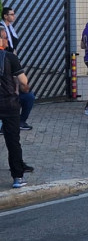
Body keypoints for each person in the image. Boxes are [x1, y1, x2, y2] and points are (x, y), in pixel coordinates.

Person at [0, 27, 34, 189]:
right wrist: (25, 89)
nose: (7, 41)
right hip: (8, 104)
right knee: (13, 141)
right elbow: (23, 81)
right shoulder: (10, 57)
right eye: (4, 38)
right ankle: (17, 177)